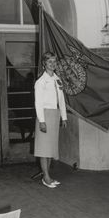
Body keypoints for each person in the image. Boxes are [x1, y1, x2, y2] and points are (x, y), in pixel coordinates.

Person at [34, 52, 67, 188]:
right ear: (44, 64)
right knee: (43, 148)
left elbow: (61, 100)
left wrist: (64, 117)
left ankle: (48, 176)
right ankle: (46, 177)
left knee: (50, 148)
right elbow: (38, 103)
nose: (52, 64)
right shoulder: (41, 82)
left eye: (54, 62)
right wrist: (42, 121)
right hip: (45, 115)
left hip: (55, 114)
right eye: (49, 62)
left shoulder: (57, 79)